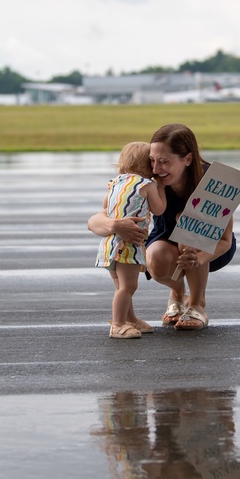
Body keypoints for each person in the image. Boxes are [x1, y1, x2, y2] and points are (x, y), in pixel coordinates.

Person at [88, 123, 236, 331]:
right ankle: (177, 293)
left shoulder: (215, 181)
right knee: (154, 258)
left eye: (164, 162)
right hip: (166, 238)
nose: (155, 169)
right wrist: (114, 224)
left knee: (189, 231)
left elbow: (225, 241)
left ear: (188, 159)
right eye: (152, 161)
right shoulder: (148, 181)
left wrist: (198, 259)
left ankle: (196, 304)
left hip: (209, 249)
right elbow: (93, 221)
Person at [95, 142, 167, 339]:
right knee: (128, 287)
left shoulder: (116, 182)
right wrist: (160, 188)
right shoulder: (148, 185)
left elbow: (104, 204)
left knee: (121, 286)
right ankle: (117, 325)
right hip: (129, 245)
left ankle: (131, 319)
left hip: (109, 244)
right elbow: (159, 209)